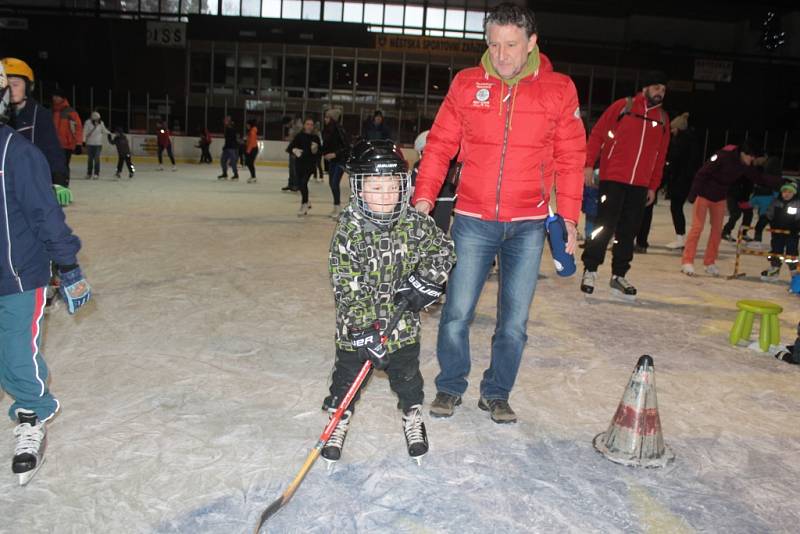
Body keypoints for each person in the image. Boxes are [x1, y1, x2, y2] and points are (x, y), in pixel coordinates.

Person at [412, 3, 585, 423]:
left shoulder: (559, 89)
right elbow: (438, 146)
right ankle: (451, 386)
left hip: (528, 223)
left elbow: (571, 156)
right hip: (472, 218)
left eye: (511, 45)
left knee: (514, 322)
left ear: (531, 44)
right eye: (494, 44)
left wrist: (570, 219)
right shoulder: (467, 84)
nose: (502, 54)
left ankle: (497, 392)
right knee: (456, 313)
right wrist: (423, 200)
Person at [322, 139, 455, 464]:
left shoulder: (415, 223)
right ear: (359, 189)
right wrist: (364, 330)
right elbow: (347, 285)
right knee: (347, 379)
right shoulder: (349, 231)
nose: (384, 196)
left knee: (408, 378)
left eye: (392, 187)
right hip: (357, 331)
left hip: (403, 328)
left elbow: (444, 251)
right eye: (375, 187)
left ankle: (412, 416)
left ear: (403, 187)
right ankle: (338, 420)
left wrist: (427, 280)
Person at [0, 64, 92, 485]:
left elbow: (44, 215)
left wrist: (68, 268)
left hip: (20, 273)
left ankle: (32, 415)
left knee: (18, 352)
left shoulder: (15, 153)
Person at [580, 72, 670, 298]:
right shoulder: (624, 107)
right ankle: (590, 269)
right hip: (614, 179)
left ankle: (619, 274)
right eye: (657, 87)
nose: (660, 93)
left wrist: (653, 186)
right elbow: (598, 134)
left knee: (628, 230)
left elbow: (661, 156)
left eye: (664, 90)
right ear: (646, 88)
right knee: (604, 225)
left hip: (639, 184)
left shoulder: (662, 119)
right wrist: (589, 164)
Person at [680, 141, 780, 276]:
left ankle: (710, 262)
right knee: (697, 228)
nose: (752, 160)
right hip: (703, 195)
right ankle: (687, 261)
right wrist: (693, 194)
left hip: (720, 198)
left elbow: (759, 178)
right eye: (751, 157)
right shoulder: (722, 156)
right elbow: (701, 173)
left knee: (717, 231)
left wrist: (781, 181)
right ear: (744, 154)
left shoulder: (744, 165)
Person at [1, 58, 72, 206]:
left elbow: (52, 150)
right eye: (6, 85)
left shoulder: (39, 114)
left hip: (30, 186)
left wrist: (58, 181)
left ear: (27, 87)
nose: (10, 89)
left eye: (15, 84)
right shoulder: (2, 116)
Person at [664, 112, 699, 249]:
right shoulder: (691, 140)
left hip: (680, 181)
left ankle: (681, 238)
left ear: (678, 128)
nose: (671, 132)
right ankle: (681, 237)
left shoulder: (680, 143)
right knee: (677, 208)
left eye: (672, 129)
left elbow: (674, 163)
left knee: (676, 208)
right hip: (686, 180)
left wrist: (668, 177)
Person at [760, 182, 800, 281]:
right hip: (777, 233)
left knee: (792, 252)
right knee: (776, 250)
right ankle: (774, 269)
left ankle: (794, 272)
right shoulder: (776, 202)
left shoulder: (797, 204)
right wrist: (763, 220)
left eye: (790, 192)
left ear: (794, 193)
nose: (786, 194)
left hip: (792, 234)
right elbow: (769, 214)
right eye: (784, 191)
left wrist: (797, 227)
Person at [286, 117, 321, 216]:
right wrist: (294, 150)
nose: (309, 126)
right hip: (299, 164)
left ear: (313, 126)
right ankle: (307, 200)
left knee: (303, 182)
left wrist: (316, 150)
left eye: (311, 124)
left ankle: (304, 204)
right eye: (307, 124)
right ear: (304, 125)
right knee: (300, 184)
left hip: (310, 165)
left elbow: (320, 152)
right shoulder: (299, 136)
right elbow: (289, 148)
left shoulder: (315, 138)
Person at [322, 108, 350, 219]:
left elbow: (346, 147)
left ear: (333, 119)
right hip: (332, 161)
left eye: (328, 117)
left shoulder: (339, 130)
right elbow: (326, 145)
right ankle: (336, 206)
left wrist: (335, 154)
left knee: (334, 183)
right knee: (331, 183)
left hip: (340, 160)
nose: (325, 119)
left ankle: (338, 208)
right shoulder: (327, 130)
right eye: (325, 117)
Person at [51, 89, 83, 184]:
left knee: (63, 166)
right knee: (54, 165)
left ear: (62, 98)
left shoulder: (70, 112)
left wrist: (78, 143)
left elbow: (78, 128)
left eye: (57, 96)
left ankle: (64, 184)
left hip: (67, 145)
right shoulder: (51, 111)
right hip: (54, 144)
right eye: (54, 96)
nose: (55, 98)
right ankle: (55, 184)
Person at [82, 111, 110, 179]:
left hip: (98, 144)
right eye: (96, 119)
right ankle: (89, 173)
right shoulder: (87, 123)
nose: (97, 120)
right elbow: (85, 132)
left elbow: (104, 130)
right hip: (90, 144)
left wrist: (109, 133)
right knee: (90, 159)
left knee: (97, 159)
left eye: (98, 119)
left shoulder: (101, 123)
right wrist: (83, 141)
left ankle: (96, 173)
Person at [218, 116, 239, 181]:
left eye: (226, 120)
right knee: (222, 160)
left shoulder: (231, 128)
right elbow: (228, 139)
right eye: (224, 120)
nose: (224, 121)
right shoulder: (227, 128)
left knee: (232, 162)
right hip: (227, 147)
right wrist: (225, 146)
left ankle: (236, 175)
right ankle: (225, 174)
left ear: (229, 121)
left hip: (232, 148)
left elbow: (232, 139)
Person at [244, 119, 259, 183]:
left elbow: (252, 142)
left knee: (249, 163)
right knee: (248, 163)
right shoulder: (251, 131)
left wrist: (248, 151)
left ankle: (253, 177)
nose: (246, 126)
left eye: (247, 124)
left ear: (250, 125)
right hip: (252, 149)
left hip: (252, 149)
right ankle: (253, 176)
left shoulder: (252, 131)